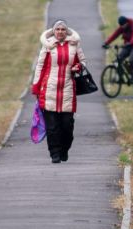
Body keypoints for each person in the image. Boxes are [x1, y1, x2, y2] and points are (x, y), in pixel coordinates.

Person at [32, 20, 86, 163]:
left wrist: (78, 67)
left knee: (67, 126)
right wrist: (36, 87)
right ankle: (54, 153)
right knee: (52, 127)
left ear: (66, 31)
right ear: (54, 31)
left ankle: (64, 150)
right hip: (49, 90)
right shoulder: (48, 45)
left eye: (63, 29)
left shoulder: (74, 44)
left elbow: (83, 61)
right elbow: (40, 66)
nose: (60, 31)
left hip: (68, 90)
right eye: (58, 29)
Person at [102, 16, 133, 85]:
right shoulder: (122, 27)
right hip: (128, 46)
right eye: (121, 26)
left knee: (131, 60)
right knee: (118, 60)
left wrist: (131, 43)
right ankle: (121, 77)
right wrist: (106, 43)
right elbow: (115, 35)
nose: (122, 27)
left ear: (126, 23)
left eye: (123, 25)